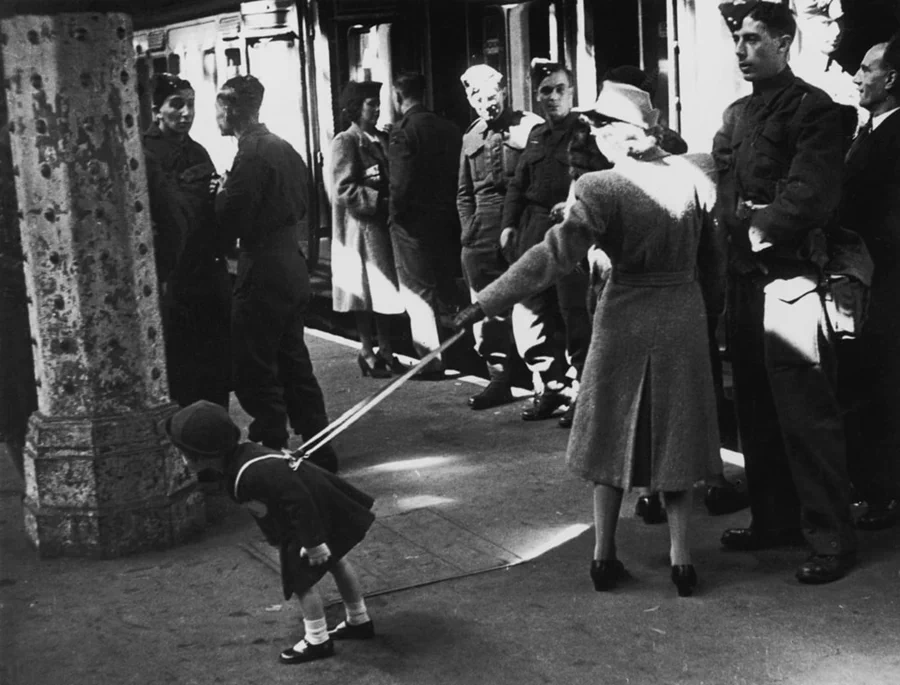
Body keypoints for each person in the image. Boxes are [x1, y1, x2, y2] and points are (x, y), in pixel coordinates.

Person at [456, 81, 725, 597]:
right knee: (677, 430)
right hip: (681, 313)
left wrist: (485, 301)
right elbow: (714, 258)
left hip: (623, 312)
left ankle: (604, 555)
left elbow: (549, 259)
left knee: (610, 429)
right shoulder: (699, 172)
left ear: (616, 136)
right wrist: (709, 308)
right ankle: (681, 560)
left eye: (599, 126)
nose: (593, 134)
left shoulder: (599, 188)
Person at [714, 1, 855, 583]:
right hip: (747, 285)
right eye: (737, 40)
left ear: (784, 40)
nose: (741, 50)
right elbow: (723, 194)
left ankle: (830, 537)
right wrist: (745, 216)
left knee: (805, 415)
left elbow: (810, 198)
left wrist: (754, 221)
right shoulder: (737, 113)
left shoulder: (815, 110)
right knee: (755, 410)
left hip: (795, 285)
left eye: (752, 39)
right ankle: (773, 519)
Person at [162, 400, 376, 665]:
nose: (182, 459)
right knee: (338, 563)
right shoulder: (245, 458)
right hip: (320, 509)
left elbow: (296, 500)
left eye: (184, 453)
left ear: (202, 455)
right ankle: (358, 619)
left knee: (301, 582)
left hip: (307, 522)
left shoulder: (248, 473)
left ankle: (318, 640)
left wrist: (313, 543)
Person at [215, 75, 338, 473]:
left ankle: (270, 443)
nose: (217, 115)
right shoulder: (284, 148)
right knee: (293, 359)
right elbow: (303, 203)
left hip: (262, 266)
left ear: (232, 109)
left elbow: (232, 217)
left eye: (220, 107)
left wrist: (218, 195)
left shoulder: (250, 153)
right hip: (292, 262)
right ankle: (320, 446)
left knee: (253, 364)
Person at [500, 60, 590, 425]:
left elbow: (597, 180)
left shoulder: (586, 132)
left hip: (570, 233)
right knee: (530, 315)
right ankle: (551, 387)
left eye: (559, 89)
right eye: (545, 91)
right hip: (534, 232)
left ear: (571, 92)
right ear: (537, 97)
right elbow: (517, 185)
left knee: (575, 315)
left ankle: (584, 396)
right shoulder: (536, 134)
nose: (552, 97)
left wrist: (573, 204)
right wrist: (507, 226)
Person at [840, 36, 900, 531]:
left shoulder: (894, 136)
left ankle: (880, 495)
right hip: (872, 280)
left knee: (880, 387)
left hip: (885, 282)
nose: (857, 77)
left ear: (892, 78)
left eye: (866, 69)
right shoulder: (870, 130)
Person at [457, 64, 543, 409]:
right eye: (476, 96)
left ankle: (547, 385)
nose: (484, 101)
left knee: (532, 310)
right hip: (481, 237)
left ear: (504, 91)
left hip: (520, 231)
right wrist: (469, 229)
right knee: (487, 312)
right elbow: (464, 192)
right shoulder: (471, 136)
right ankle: (499, 380)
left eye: (490, 93)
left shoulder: (530, 127)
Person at [143, 73, 231, 409]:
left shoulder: (198, 151)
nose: (185, 112)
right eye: (176, 104)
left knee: (214, 368)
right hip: (172, 278)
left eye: (190, 104)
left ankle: (216, 439)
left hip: (207, 274)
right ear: (156, 110)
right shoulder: (145, 154)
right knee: (181, 369)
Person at [388, 72, 463, 379]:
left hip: (413, 225)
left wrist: (394, 215)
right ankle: (459, 351)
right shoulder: (448, 127)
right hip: (446, 221)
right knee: (446, 289)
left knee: (418, 290)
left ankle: (430, 361)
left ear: (397, 96)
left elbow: (400, 187)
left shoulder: (403, 132)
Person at [331, 80, 404, 379]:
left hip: (382, 227)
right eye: (370, 103)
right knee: (365, 293)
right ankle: (366, 351)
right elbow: (343, 189)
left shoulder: (382, 138)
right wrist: (379, 200)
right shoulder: (346, 141)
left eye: (377, 103)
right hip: (360, 230)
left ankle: (386, 350)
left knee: (384, 292)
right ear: (355, 108)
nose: (376, 109)